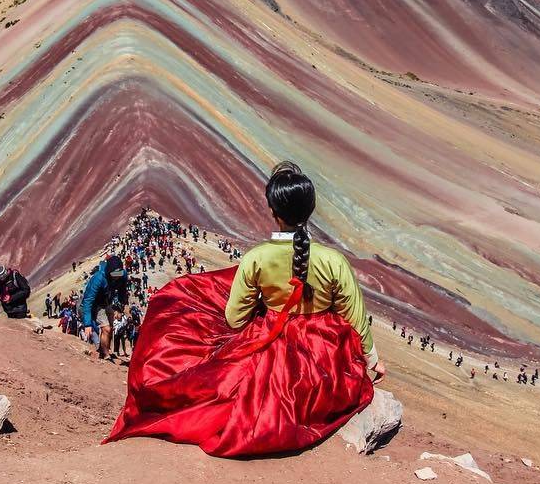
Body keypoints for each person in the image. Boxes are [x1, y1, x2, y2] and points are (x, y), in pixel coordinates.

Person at [105, 161, 381, 457]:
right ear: (310, 209)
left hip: (271, 339)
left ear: (274, 212)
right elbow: (355, 319)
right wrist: (373, 360)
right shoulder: (334, 261)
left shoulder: (257, 258)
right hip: (324, 354)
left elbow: (234, 319)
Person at [80, 253, 128, 358]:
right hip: (95, 304)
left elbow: (122, 290)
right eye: (114, 275)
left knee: (111, 328)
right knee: (106, 328)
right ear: (109, 271)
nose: (116, 278)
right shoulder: (98, 278)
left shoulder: (122, 274)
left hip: (107, 302)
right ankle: (105, 355)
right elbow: (88, 300)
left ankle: (104, 349)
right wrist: (87, 324)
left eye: (119, 274)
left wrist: (121, 306)